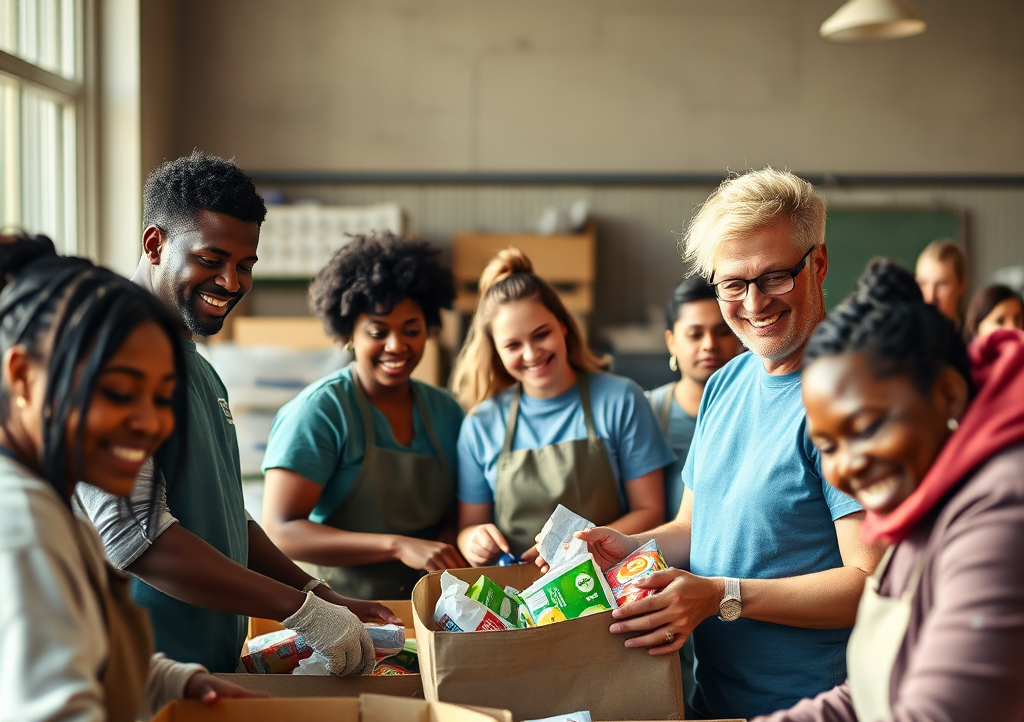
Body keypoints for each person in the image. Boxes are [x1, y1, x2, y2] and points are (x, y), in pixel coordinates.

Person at [591, 259, 1024, 722]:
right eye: (829, 445)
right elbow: (878, 694)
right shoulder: (922, 510)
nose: (850, 465)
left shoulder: (1000, 515)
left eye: (869, 426)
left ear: (944, 396)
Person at [0, 236, 365, 722]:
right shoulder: (21, 525)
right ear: (22, 376)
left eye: (160, 398)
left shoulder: (50, 499)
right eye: (117, 391)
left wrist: (168, 682)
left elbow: (47, 657)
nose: (150, 422)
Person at [579, 168, 882, 720]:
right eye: (733, 284)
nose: (754, 303)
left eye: (774, 278)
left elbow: (870, 584)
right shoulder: (727, 382)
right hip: (715, 703)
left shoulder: (849, 398)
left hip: (812, 720)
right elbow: (691, 529)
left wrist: (722, 595)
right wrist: (625, 548)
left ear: (818, 265)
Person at [76, 152, 389, 676]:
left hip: (200, 675)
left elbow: (224, 516)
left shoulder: (196, 367)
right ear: (155, 245)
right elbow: (138, 539)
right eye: (211, 258)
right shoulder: (109, 355)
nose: (231, 282)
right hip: (132, 681)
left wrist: (317, 592)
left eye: (245, 265)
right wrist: (300, 611)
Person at [261, 233, 467, 599]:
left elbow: (456, 510)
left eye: (412, 331)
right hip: (337, 607)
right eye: (378, 331)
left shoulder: (446, 411)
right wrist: (397, 545)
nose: (396, 345)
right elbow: (280, 530)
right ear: (348, 333)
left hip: (427, 606)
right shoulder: (322, 411)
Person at [454, 248, 673, 566]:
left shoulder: (621, 399)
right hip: (514, 597)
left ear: (564, 326)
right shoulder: (480, 423)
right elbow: (468, 526)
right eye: (513, 345)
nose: (531, 354)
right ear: (496, 351)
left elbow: (651, 511)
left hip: (605, 587)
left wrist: (583, 551)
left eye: (541, 334)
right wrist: (473, 541)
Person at [645, 275, 742, 518]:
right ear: (671, 342)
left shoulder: (755, 410)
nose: (709, 344)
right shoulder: (646, 411)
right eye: (695, 335)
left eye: (723, 332)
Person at [915, 238, 968, 331]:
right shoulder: (905, 341)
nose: (930, 297)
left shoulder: (974, 343)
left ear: (962, 286)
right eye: (922, 283)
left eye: (942, 284)